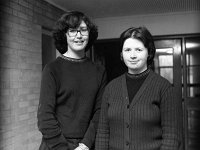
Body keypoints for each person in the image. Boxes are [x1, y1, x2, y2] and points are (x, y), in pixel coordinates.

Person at [95, 26, 183, 150]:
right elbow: (102, 133)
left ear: (149, 52)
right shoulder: (110, 88)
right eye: (127, 50)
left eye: (138, 49)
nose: (132, 55)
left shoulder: (164, 88)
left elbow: (172, 137)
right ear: (121, 54)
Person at [37, 11, 107, 150]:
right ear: (64, 35)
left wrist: (86, 144)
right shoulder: (52, 69)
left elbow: (100, 112)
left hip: (86, 145)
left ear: (89, 34)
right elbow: (45, 116)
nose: (79, 36)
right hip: (55, 144)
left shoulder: (99, 71)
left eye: (83, 30)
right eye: (73, 31)